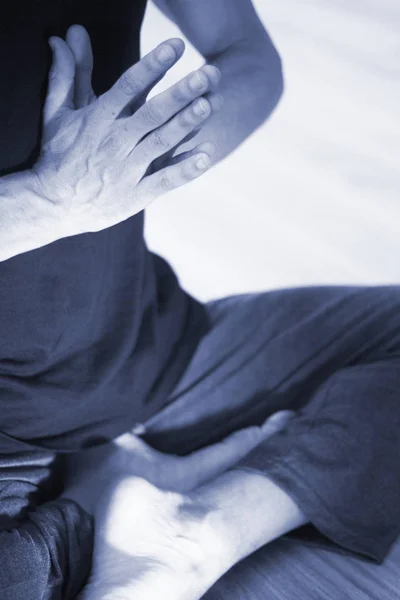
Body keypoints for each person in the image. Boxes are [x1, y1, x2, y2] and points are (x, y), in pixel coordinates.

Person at [0, 1, 399, 599]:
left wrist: (140, 163)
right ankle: (87, 505)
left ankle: (200, 529)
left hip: (148, 355)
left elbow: (249, 55)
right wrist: (46, 203)